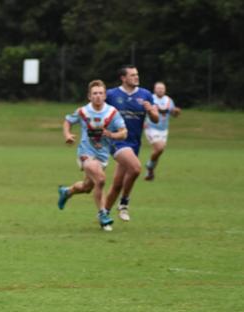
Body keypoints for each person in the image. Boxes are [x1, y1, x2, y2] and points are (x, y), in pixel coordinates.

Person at [58, 80, 127, 231]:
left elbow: (123, 132)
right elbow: (67, 121)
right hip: (85, 154)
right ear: (89, 96)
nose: (98, 96)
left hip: (102, 156)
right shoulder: (83, 111)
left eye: (101, 93)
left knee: (87, 187)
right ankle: (103, 214)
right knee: (101, 180)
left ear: (105, 95)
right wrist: (67, 135)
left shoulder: (112, 113)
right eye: (94, 93)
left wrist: (110, 134)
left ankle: (67, 191)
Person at [104, 65, 159, 221]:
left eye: (137, 74)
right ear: (123, 78)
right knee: (135, 169)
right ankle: (124, 203)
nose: (136, 77)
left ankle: (104, 214)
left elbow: (155, 119)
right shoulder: (111, 95)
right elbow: (99, 111)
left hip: (134, 143)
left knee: (117, 184)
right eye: (132, 75)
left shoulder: (146, 94)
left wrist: (151, 111)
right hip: (117, 141)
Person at [143, 81, 181, 181]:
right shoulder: (151, 98)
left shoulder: (168, 100)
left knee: (158, 151)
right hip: (151, 128)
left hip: (164, 130)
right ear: (155, 89)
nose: (160, 90)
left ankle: (150, 171)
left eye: (162, 88)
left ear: (165, 90)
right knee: (159, 148)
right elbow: (143, 111)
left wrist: (176, 112)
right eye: (158, 88)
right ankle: (149, 166)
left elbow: (174, 114)